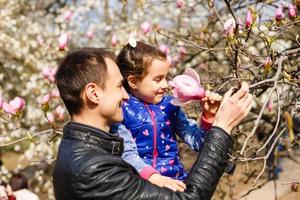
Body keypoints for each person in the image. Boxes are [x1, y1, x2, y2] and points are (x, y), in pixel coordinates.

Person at [52, 47, 253, 200]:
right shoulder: (94, 168)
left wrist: (209, 122)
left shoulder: (82, 150)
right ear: (93, 93)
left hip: (177, 179)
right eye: (119, 86)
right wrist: (222, 127)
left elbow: (195, 139)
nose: (125, 95)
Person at [112, 41, 222, 191]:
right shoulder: (121, 109)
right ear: (133, 81)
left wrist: (208, 118)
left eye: (166, 77)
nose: (166, 85)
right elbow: (126, 153)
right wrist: (153, 177)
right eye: (158, 79)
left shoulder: (170, 106)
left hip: (176, 183)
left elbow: (197, 142)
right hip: (141, 188)